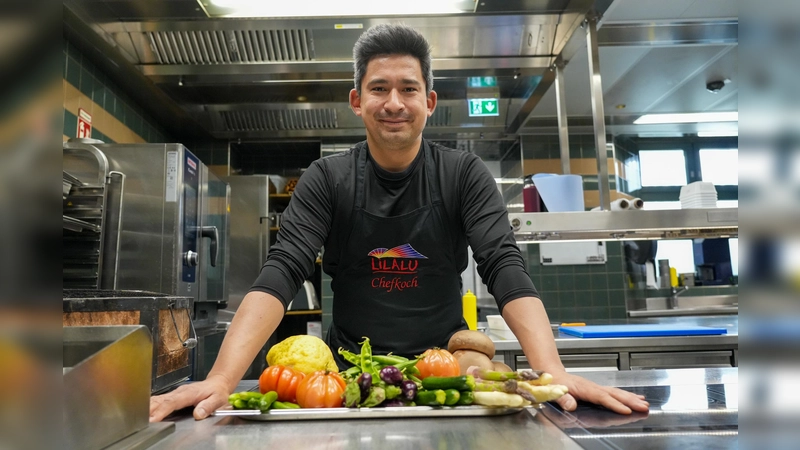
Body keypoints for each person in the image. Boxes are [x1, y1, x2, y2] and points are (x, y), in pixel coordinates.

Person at [149, 23, 649, 422]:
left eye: (408, 88)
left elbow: (504, 266)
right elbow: (281, 271)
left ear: (428, 102)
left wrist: (553, 371)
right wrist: (220, 378)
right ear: (356, 100)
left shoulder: (462, 174)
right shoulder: (327, 178)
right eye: (378, 88)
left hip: (445, 378)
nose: (393, 102)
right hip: (347, 386)